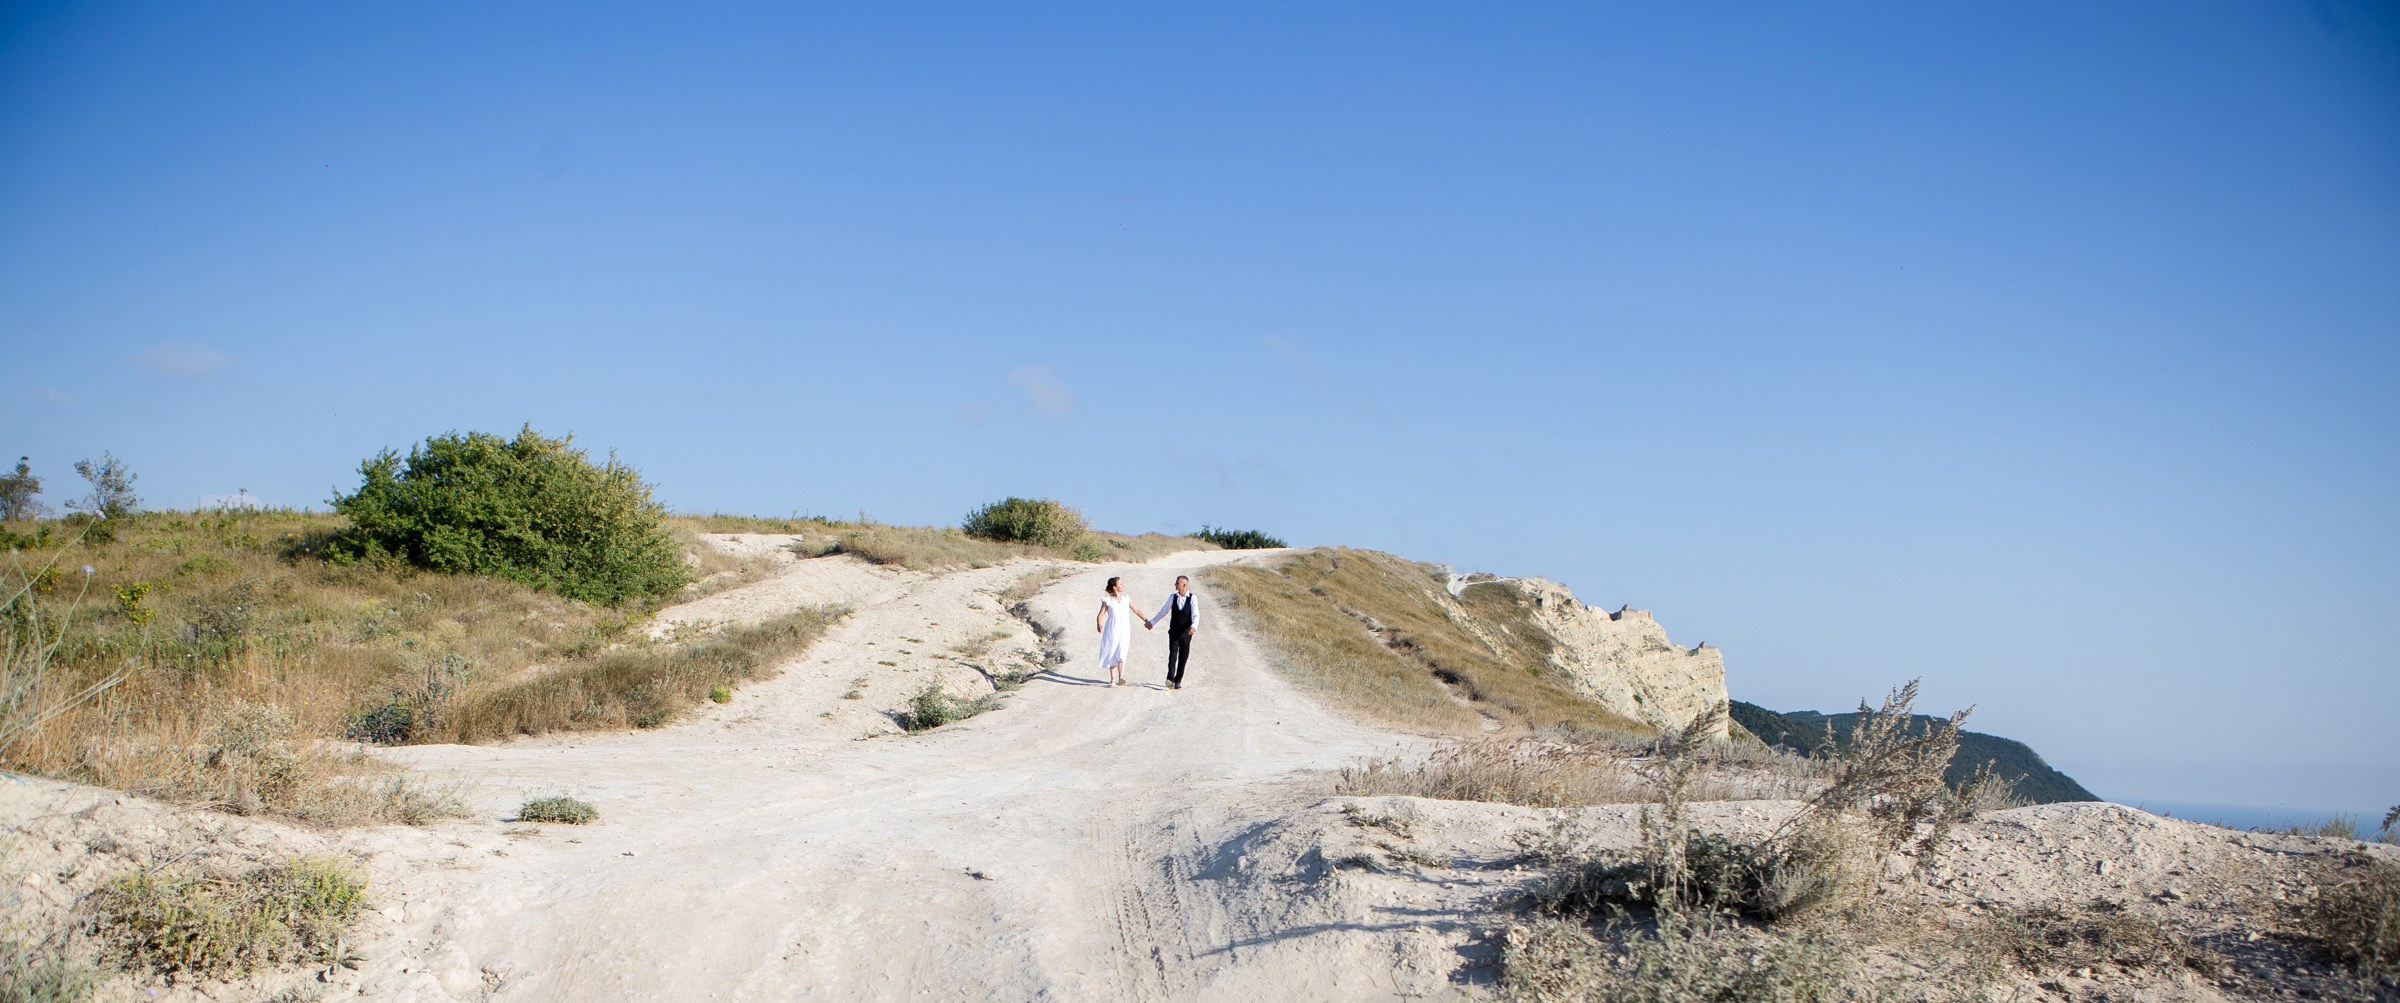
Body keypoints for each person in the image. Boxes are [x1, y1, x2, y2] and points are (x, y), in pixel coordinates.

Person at [1094, 576, 1152, 688]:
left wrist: (1146, 621)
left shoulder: (1126, 598)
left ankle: (1121, 677)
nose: (1123, 585)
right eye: (1120, 584)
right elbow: (1101, 614)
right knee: (1112, 651)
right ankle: (1112, 680)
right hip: (1112, 629)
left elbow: (1136, 610)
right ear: (1115, 587)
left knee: (1122, 651)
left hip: (1125, 629)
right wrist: (1099, 623)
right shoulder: (1108, 601)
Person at [1145, 574, 1198, 689]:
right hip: (1174, 632)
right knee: (1172, 656)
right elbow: (1163, 611)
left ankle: (1178, 680)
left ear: (1184, 585)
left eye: (1177, 583)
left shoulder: (1193, 598)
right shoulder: (1172, 597)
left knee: (1183, 657)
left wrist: (1194, 626)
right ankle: (1170, 678)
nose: (1175, 584)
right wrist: (1152, 622)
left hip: (1186, 634)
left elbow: (1195, 614)